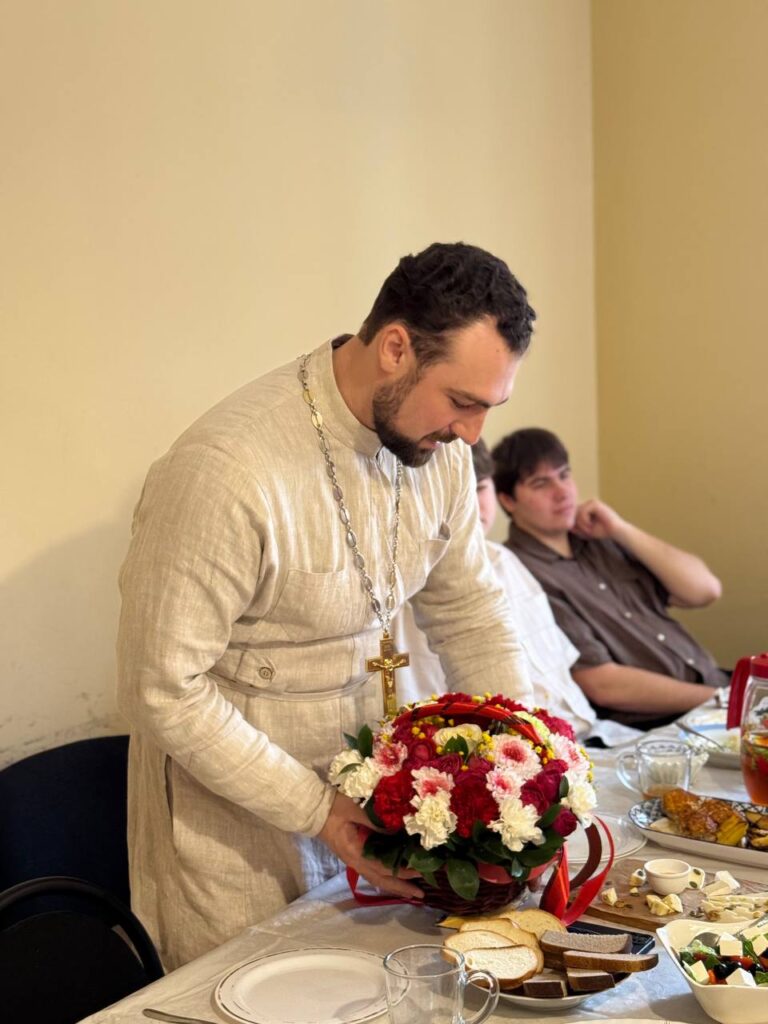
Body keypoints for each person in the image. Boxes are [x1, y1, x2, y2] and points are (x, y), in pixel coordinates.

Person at [116, 242, 537, 968]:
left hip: (369, 805)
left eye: (487, 408)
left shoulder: (439, 453)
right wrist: (317, 812)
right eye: (462, 402)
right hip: (231, 834)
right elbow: (161, 687)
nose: (471, 434)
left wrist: (521, 764)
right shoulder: (226, 469)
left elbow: (471, 613)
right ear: (396, 349)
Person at [492, 428, 729, 728]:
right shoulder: (519, 572)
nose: (562, 492)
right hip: (660, 723)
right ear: (508, 501)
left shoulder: (599, 539)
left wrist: (621, 529)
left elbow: (705, 590)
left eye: (564, 475)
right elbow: (602, 685)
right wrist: (722, 699)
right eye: (541, 484)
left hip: (716, 689)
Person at [394, 439, 597, 737]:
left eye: (479, 489)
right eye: (460, 493)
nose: (470, 506)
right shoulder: (415, 589)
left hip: (584, 730)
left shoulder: (506, 560)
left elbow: (556, 670)